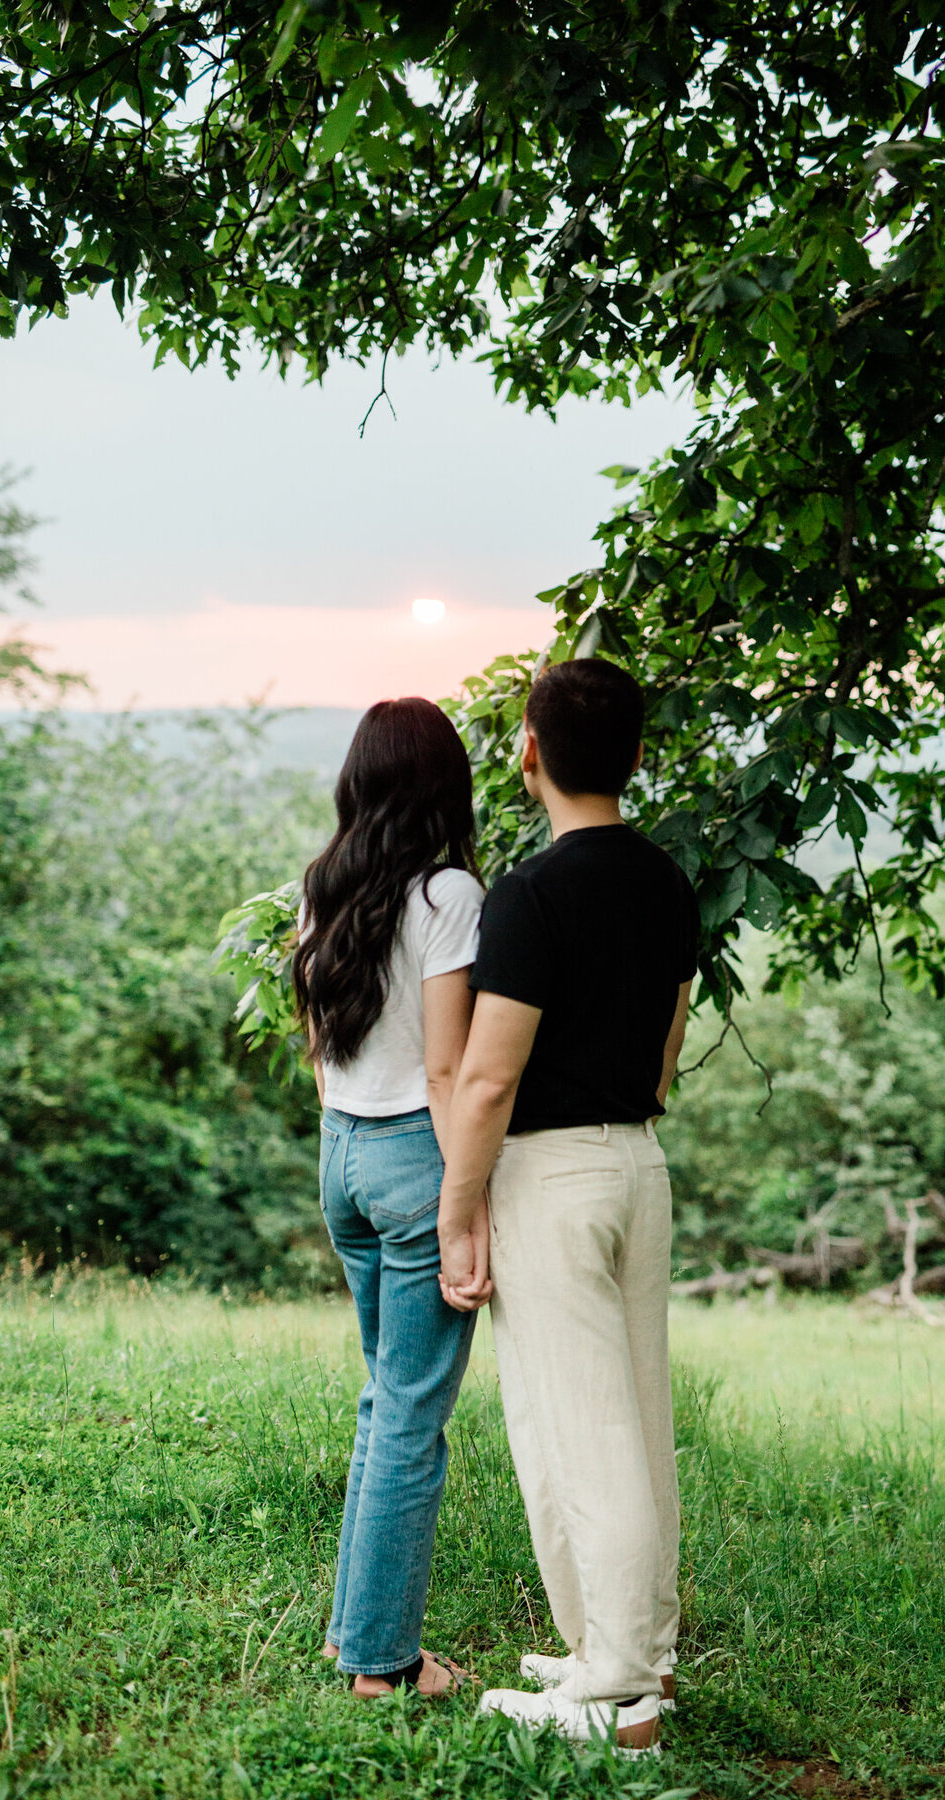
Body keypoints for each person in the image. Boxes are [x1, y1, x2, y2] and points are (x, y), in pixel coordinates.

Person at [436, 657, 698, 1755]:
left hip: (553, 1175)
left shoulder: (532, 896)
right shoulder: (672, 883)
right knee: (632, 1417)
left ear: (529, 753)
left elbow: (488, 1078)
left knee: (584, 1434)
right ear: (638, 757)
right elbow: (668, 1054)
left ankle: (617, 1691)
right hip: (638, 1164)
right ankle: (626, 1650)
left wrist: (461, 1207)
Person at [293, 697, 491, 1699]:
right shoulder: (451, 894)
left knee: (386, 1399)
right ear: (444, 784)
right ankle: (382, 1664)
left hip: (342, 1156)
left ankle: (350, 1635)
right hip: (417, 1159)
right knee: (412, 1413)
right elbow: (450, 1070)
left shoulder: (321, 888)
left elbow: (323, 1052)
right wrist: (467, 1210)